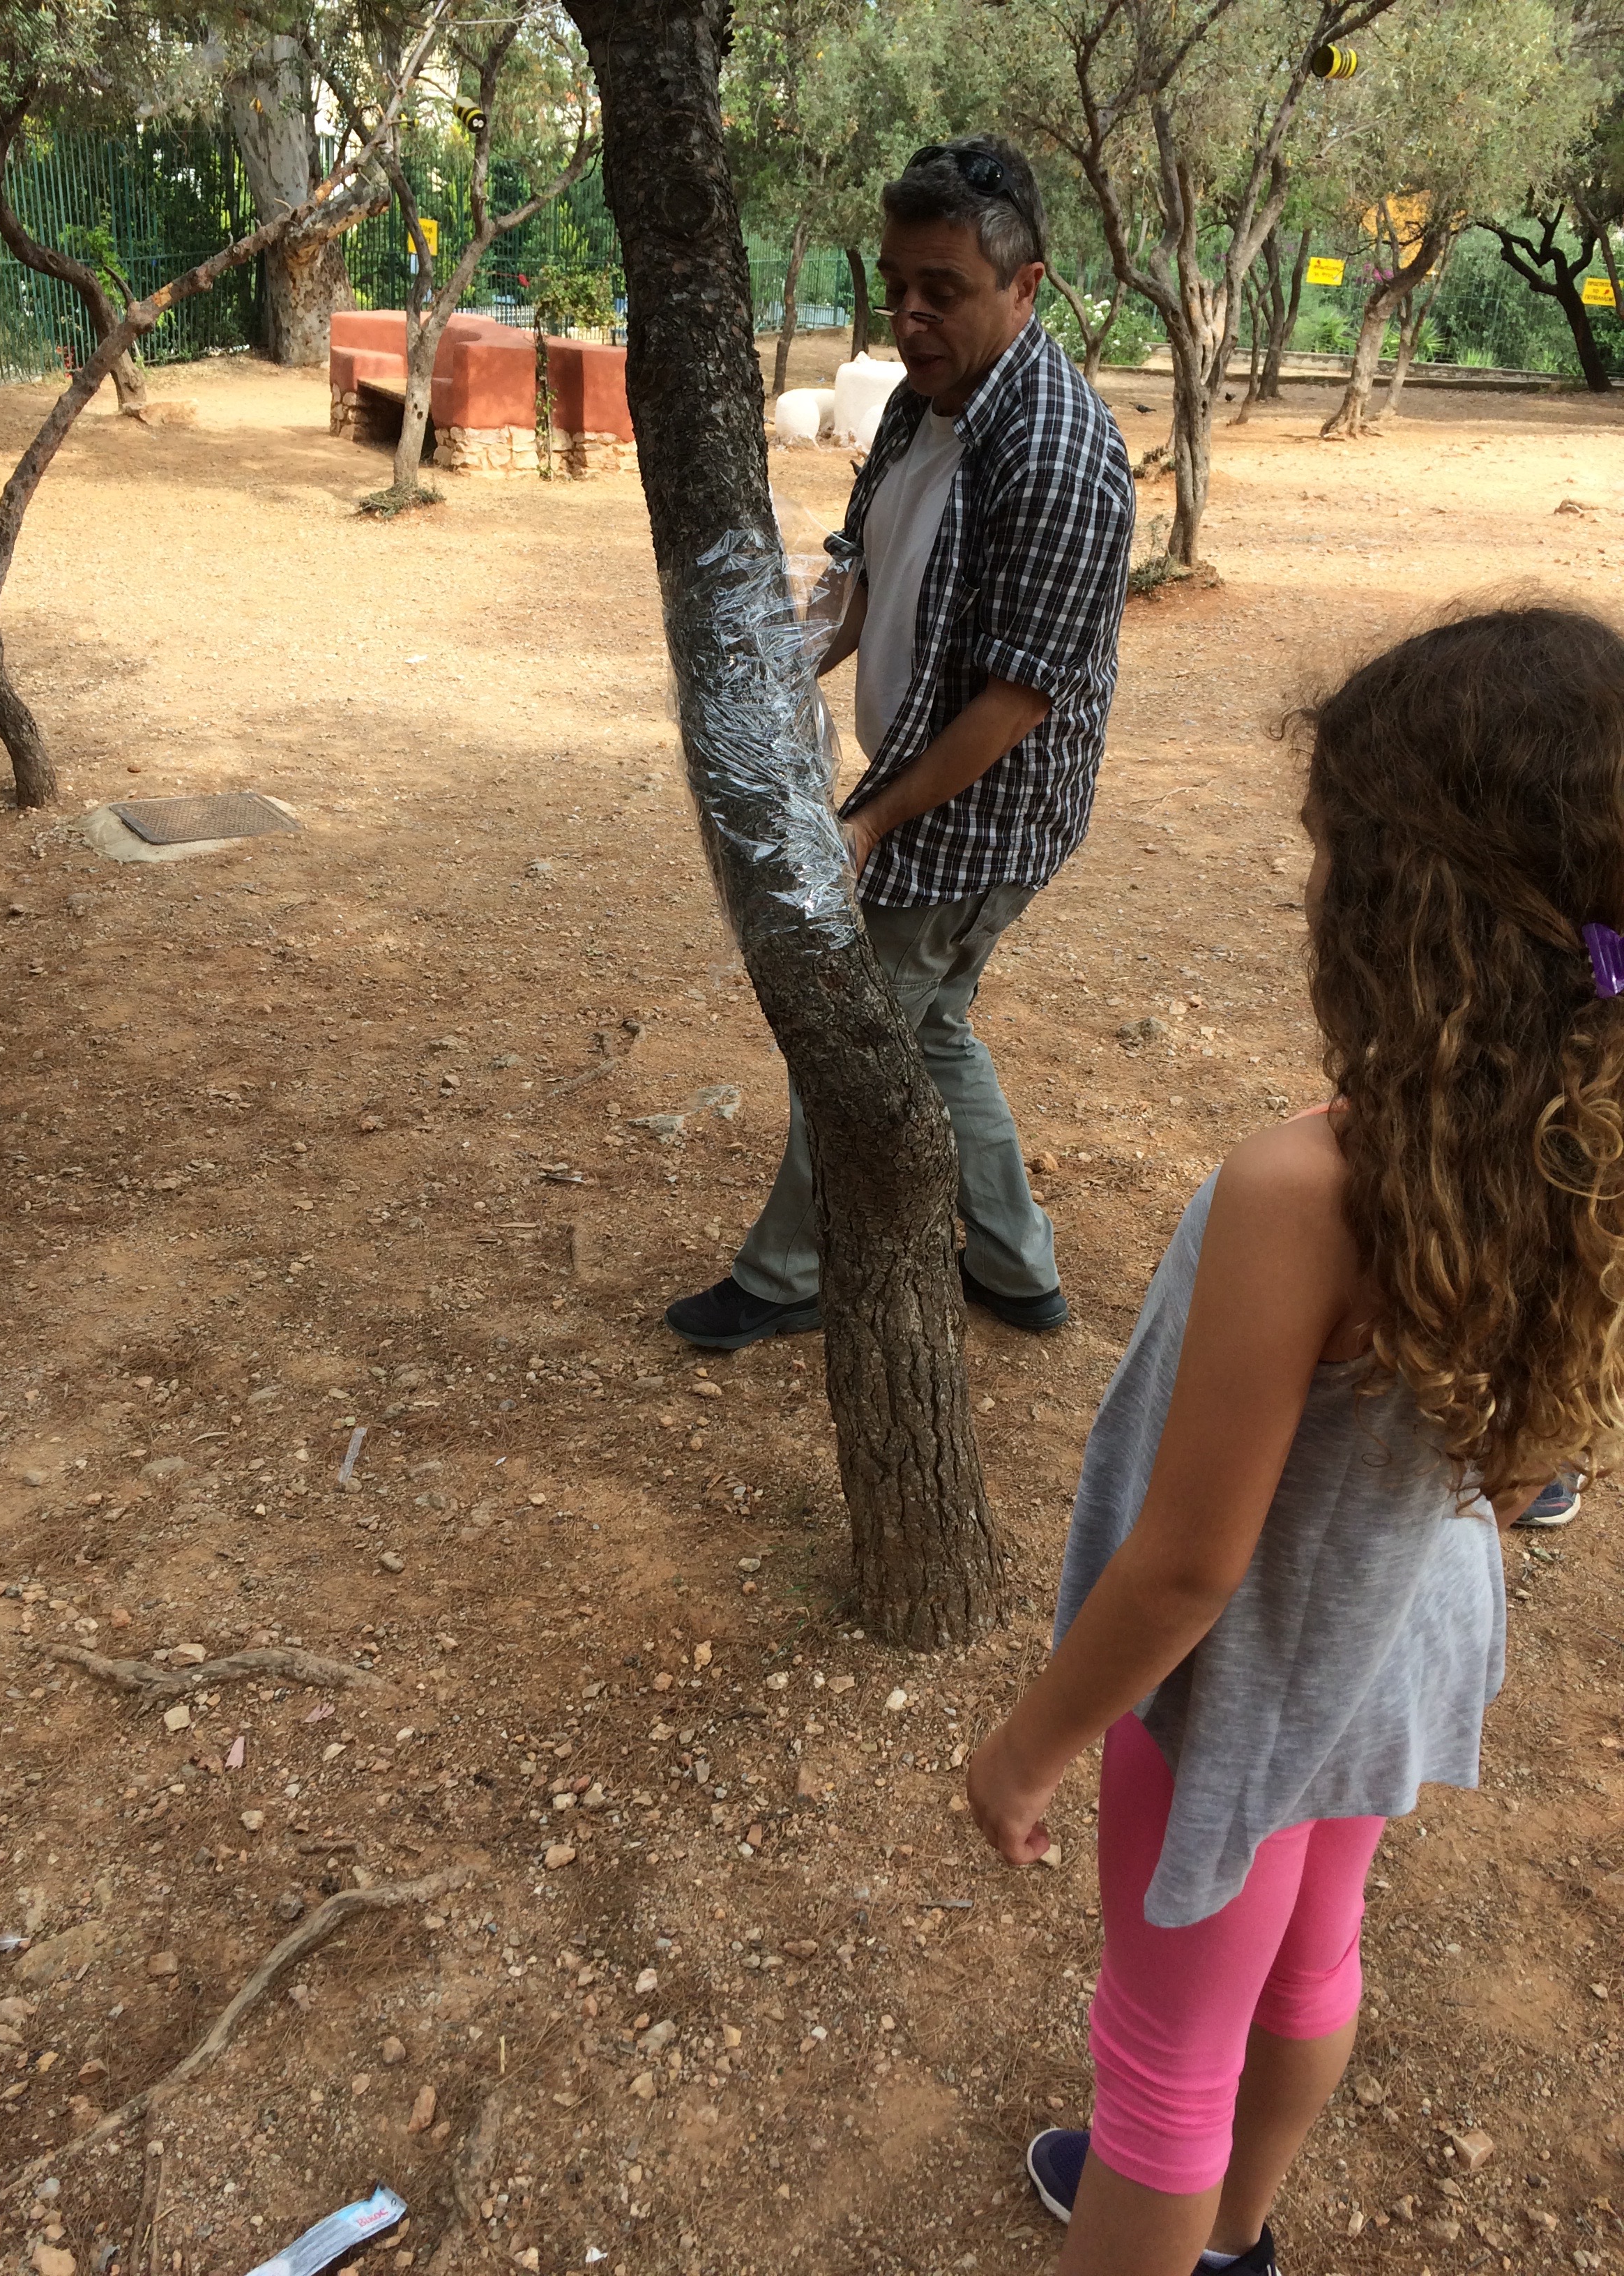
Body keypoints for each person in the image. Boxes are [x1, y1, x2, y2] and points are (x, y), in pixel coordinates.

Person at [966, 605, 1624, 2276]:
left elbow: (1189, 1567)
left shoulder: (1306, 1190)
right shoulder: (1586, 1143)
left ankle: (1170, 2223)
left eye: (1333, 852)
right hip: (1399, 1649)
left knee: (1162, 2066)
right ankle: (1238, 2244)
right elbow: (1529, 1464)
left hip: (1249, 1688)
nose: (1312, 887)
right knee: (1315, 1959)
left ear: (1407, 905)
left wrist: (1031, 1744)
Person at [666, 135, 1134, 1351]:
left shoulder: (1059, 454)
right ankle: (1017, 1265)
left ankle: (787, 1273)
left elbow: (1017, 703)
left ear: (1025, 287)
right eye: (897, 286)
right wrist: (774, 667)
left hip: (979, 814)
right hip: (921, 781)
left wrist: (871, 820)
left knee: (858, 1031)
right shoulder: (927, 404)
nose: (910, 317)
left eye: (944, 290)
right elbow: (861, 571)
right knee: (926, 1028)